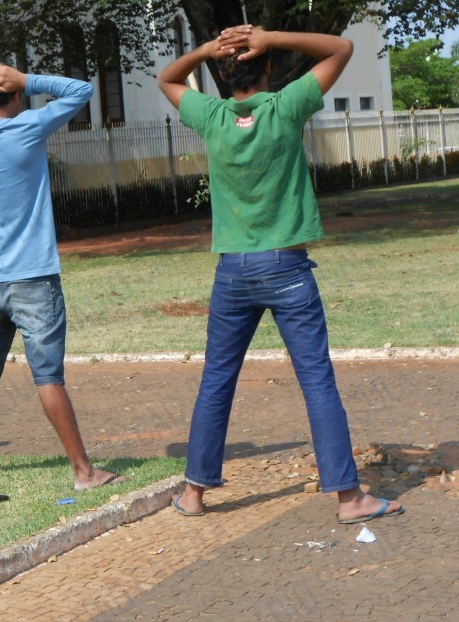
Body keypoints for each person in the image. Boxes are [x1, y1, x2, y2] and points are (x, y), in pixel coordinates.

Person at [157, 27, 404, 523]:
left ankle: (195, 493)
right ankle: (349, 498)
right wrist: (271, 36)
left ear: (222, 74)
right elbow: (342, 48)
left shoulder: (211, 115)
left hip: (233, 271)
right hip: (287, 267)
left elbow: (166, 79)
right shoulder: (285, 106)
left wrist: (205, 50)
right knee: (316, 381)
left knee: (216, 381)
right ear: (267, 66)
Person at [0, 62, 125, 491]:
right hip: (35, 279)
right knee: (48, 377)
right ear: (17, 95)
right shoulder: (28, 128)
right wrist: (25, 78)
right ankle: (84, 472)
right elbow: (81, 91)